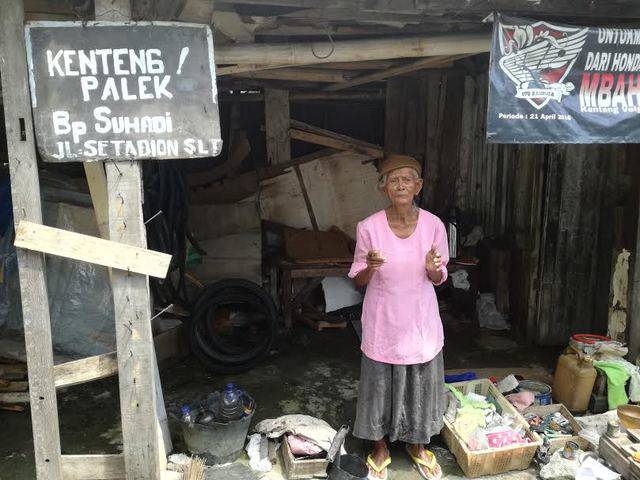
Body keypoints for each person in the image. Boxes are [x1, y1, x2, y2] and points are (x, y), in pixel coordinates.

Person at [348, 154, 449, 480]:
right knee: (379, 385)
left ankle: (417, 445)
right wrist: (370, 267)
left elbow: (439, 276)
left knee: (420, 382)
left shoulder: (434, 225)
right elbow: (357, 280)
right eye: (394, 180)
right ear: (384, 188)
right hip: (384, 319)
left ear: (418, 186)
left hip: (419, 321)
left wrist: (435, 270)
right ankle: (380, 447)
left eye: (407, 179)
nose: (401, 185)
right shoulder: (369, 227)